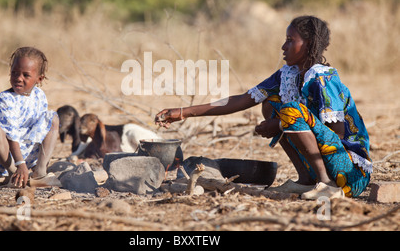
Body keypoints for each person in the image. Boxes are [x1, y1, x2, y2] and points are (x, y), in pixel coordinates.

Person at [155, 16, 371, 199]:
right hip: (324, 162)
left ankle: (326, 186)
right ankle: (306, 181)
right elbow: (241, 99)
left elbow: (338, 133)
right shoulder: (287, 75)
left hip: (349, 173)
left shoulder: (324, 80)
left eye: (289, 40)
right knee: (271, 103)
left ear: (309, 43)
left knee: (289, 111)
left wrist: (278, 125)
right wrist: (183, 113)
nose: (283, 47)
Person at [0, 47, 60, 188]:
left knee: (53, 118)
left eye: (26, 75)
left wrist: (26, 163)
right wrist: (19, 164)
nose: (18, 78)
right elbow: (12, 136)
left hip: (27, 156)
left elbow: (40, 129)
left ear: (39, 79)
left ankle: (40, 172)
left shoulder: (39, 96)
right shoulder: (6, 100)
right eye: (14, 73)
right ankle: (13, 175)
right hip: (3, 159)